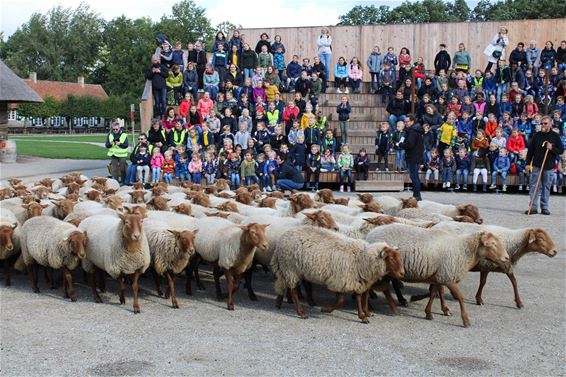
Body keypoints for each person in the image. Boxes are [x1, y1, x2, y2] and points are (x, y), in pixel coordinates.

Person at [525, 116, 564, 215]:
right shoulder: (536, 135)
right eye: (542, 123)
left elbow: (561, 150)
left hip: (549, 166)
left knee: (546, 186)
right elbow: (530, 151)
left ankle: (544, 207)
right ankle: (533, 207)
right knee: (534, 186)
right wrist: (527, 163)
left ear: (550, 124)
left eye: (545, 123)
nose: (543, 125)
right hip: (537, 164)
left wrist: (552, 148)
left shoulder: (555, 136)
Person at [399, 114, 424, 201]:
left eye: (407, 121)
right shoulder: (414, 130)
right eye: (405, 121)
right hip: (415, 156)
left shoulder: (413, 131)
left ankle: (417, 195)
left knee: (414, 176)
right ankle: (416, 195)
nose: (406, 123)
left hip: (413, 156)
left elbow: (409, 144)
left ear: (412, 121)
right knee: (414, 176)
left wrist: (400, 144)